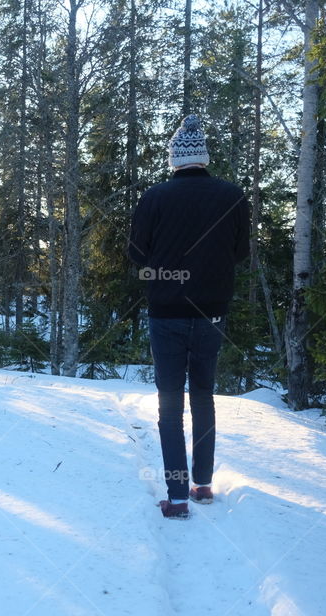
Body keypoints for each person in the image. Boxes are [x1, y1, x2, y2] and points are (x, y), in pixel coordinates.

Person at [127, 114, 250, 520]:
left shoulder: (154, 198)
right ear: (204, 157)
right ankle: (203, 485)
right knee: (203, 398)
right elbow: (240, 253)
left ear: (174, 159)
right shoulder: (232, 196)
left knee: (169, 405)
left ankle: (177, 496)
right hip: (212, 312)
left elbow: (137, 255)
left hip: (166, 314)